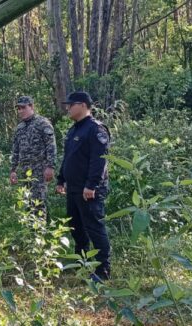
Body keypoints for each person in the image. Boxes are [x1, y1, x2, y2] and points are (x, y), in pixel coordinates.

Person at [55, 91, 112, 281]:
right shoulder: (73, 130)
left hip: (89, 190)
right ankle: (82, 261)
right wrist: (61, 179)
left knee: (94, 227)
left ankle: (103, 270)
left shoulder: (96, 129)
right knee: (75, 226)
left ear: (83, 105)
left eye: (71, 105)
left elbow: (100, 160)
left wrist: (92, 185)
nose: (68, 108)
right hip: (73, 188)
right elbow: (68, 158)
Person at [9, 95, 56, 218]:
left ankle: (39, 232)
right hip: (25, 171)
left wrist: (50, 166)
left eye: (23, 108)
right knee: (27, 200)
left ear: (31, 106)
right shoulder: (19, 128)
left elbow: (51, 146)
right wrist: (13, 170)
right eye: (18, 108)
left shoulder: (43, 123)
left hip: (39, 169)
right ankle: (32, 230)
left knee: (38, 201)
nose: (20, 111)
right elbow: (16, 150)